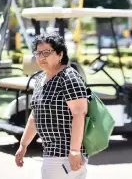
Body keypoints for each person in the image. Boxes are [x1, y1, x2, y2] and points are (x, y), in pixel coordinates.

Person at [15, 32, 89, 179]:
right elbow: (35, 115)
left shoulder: (69, 77)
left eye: (47, 52)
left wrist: (74, 151)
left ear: (60, 54)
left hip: (65, 155)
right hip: (51, 152)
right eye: (38, 53)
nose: (41, 57)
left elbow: (79, 114)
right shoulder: (40, 78)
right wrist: (23, 145)